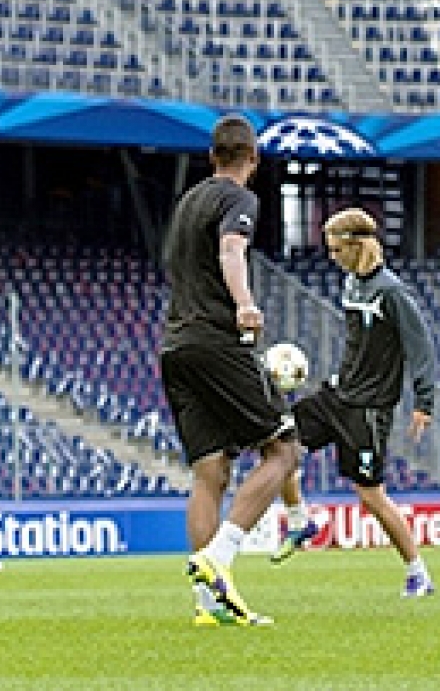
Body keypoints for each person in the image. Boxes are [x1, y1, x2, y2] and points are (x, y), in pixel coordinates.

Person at [159, 113, 300, 627]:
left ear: (211, 156)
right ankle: (219, 559)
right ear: (253, 159)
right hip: (217, 339)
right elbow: (231, 248)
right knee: (284, 449)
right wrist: (244, 302)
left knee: (210, 471)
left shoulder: (188, 202)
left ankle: (208, 605)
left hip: (176, 344)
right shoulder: (238, 199)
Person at [269, 207, 438, 598]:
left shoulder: (392, 292)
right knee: (278, 440)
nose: (332, 257)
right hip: (337, 395)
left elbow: (421, 348)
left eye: (336, 249)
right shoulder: (350, 284)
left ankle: (418, 573)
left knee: (370, 496)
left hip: (369, 410)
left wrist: (423, 402)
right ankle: (300, 521)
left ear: (357, 245)